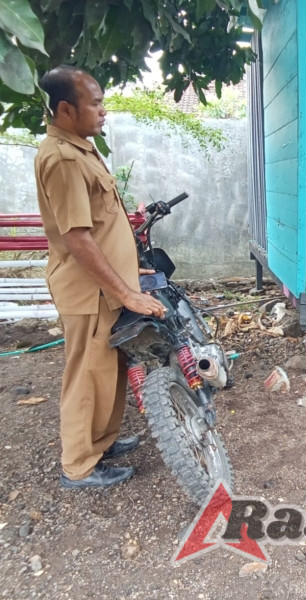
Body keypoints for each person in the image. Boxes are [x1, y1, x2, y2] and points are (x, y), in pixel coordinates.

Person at [35, 66, 166, 489]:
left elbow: (102, 225)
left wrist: (131, 271)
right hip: (88, 292)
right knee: (87, 375)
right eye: (96, 103)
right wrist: (125, 291)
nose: (104, 111)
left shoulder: (82, 149)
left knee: (108, 367)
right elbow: (76, 237)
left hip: (105, 286)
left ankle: (101, 443)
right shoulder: (62, 159)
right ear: (66, 108)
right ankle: (79, 465)